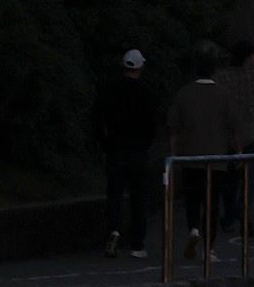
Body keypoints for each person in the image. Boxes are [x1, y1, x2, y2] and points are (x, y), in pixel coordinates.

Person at [166, 48, 241, 262]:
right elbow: (234, 127)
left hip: (190, 157)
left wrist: (174, 153)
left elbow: (173, 127)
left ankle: (193, 229)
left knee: (193, 198)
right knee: (212, 203)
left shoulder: (183, 93)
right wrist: (238, 152)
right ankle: (209, 249)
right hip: (217, 159)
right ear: (214, 71)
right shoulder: (224, 94)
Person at [90, 48, 156, 259]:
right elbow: (152, 124)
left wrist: (105, 143)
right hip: (138, 151)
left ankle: (114, 230)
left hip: (116, 149)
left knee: (115, 195)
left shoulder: (110, 89)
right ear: (140, 67)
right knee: (139, 198)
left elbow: (96, 117)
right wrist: (146, 144)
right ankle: (137, 243)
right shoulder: (145, 92)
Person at [212, 40, 254, 231]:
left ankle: (229, 212)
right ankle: (242, 210)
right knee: (250, 177)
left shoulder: (221, 78)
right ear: (249, 58)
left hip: (228, 134)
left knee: (229, 177)